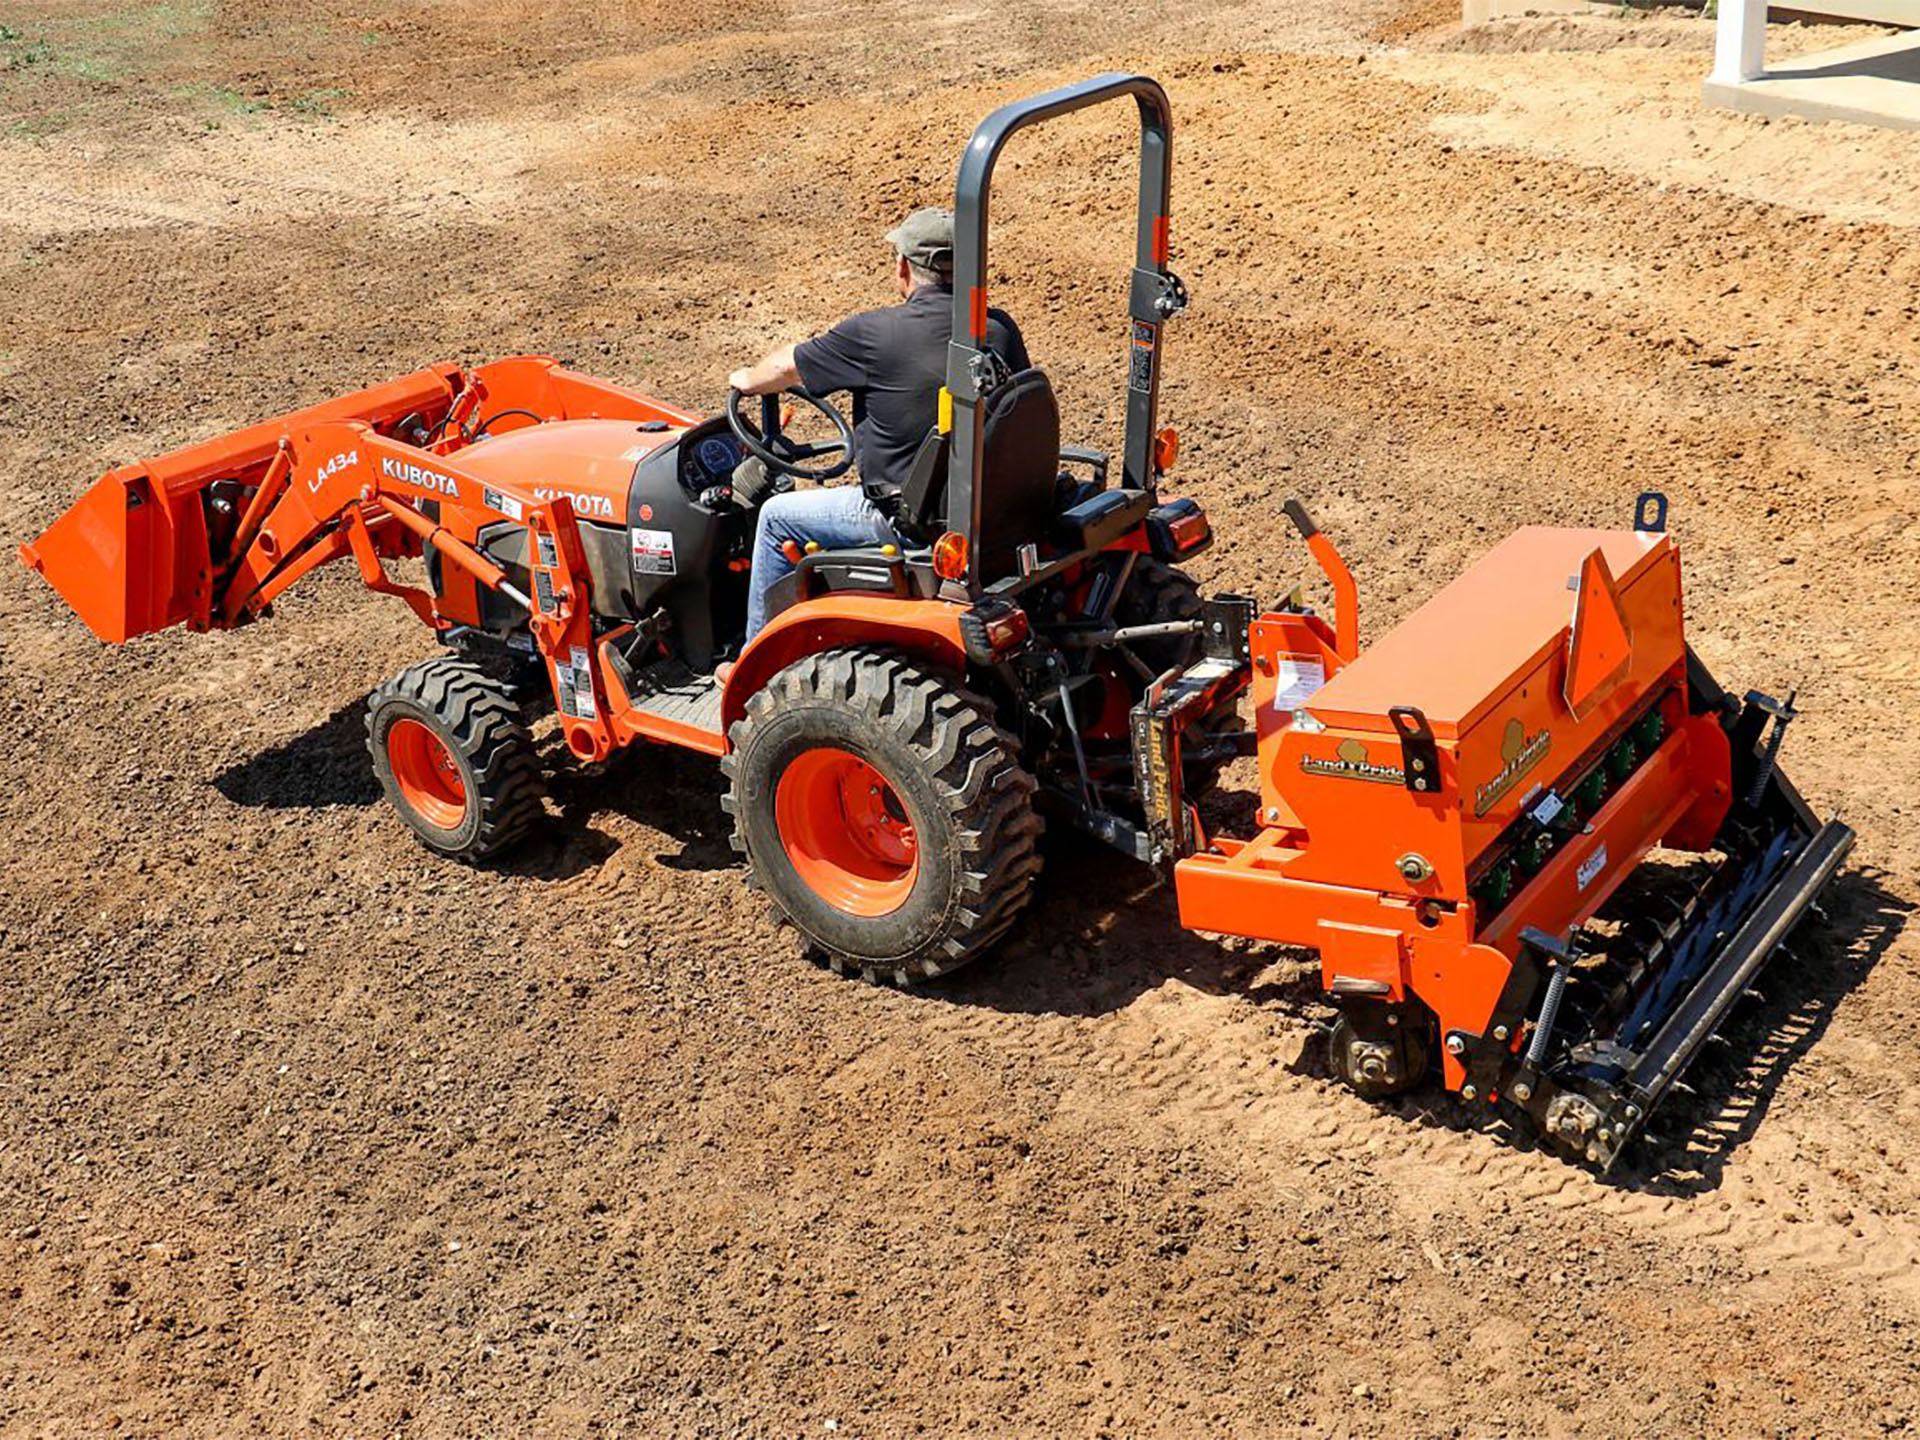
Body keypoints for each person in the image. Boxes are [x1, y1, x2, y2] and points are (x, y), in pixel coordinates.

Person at [724, 206, 1030, 663]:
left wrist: (745, 379)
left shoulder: (874, 334)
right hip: (991, 507)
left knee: (774, 516)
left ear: (904, 267)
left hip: (909, 520)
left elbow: (786, 367)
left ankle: (752, 661)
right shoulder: (999, 327)